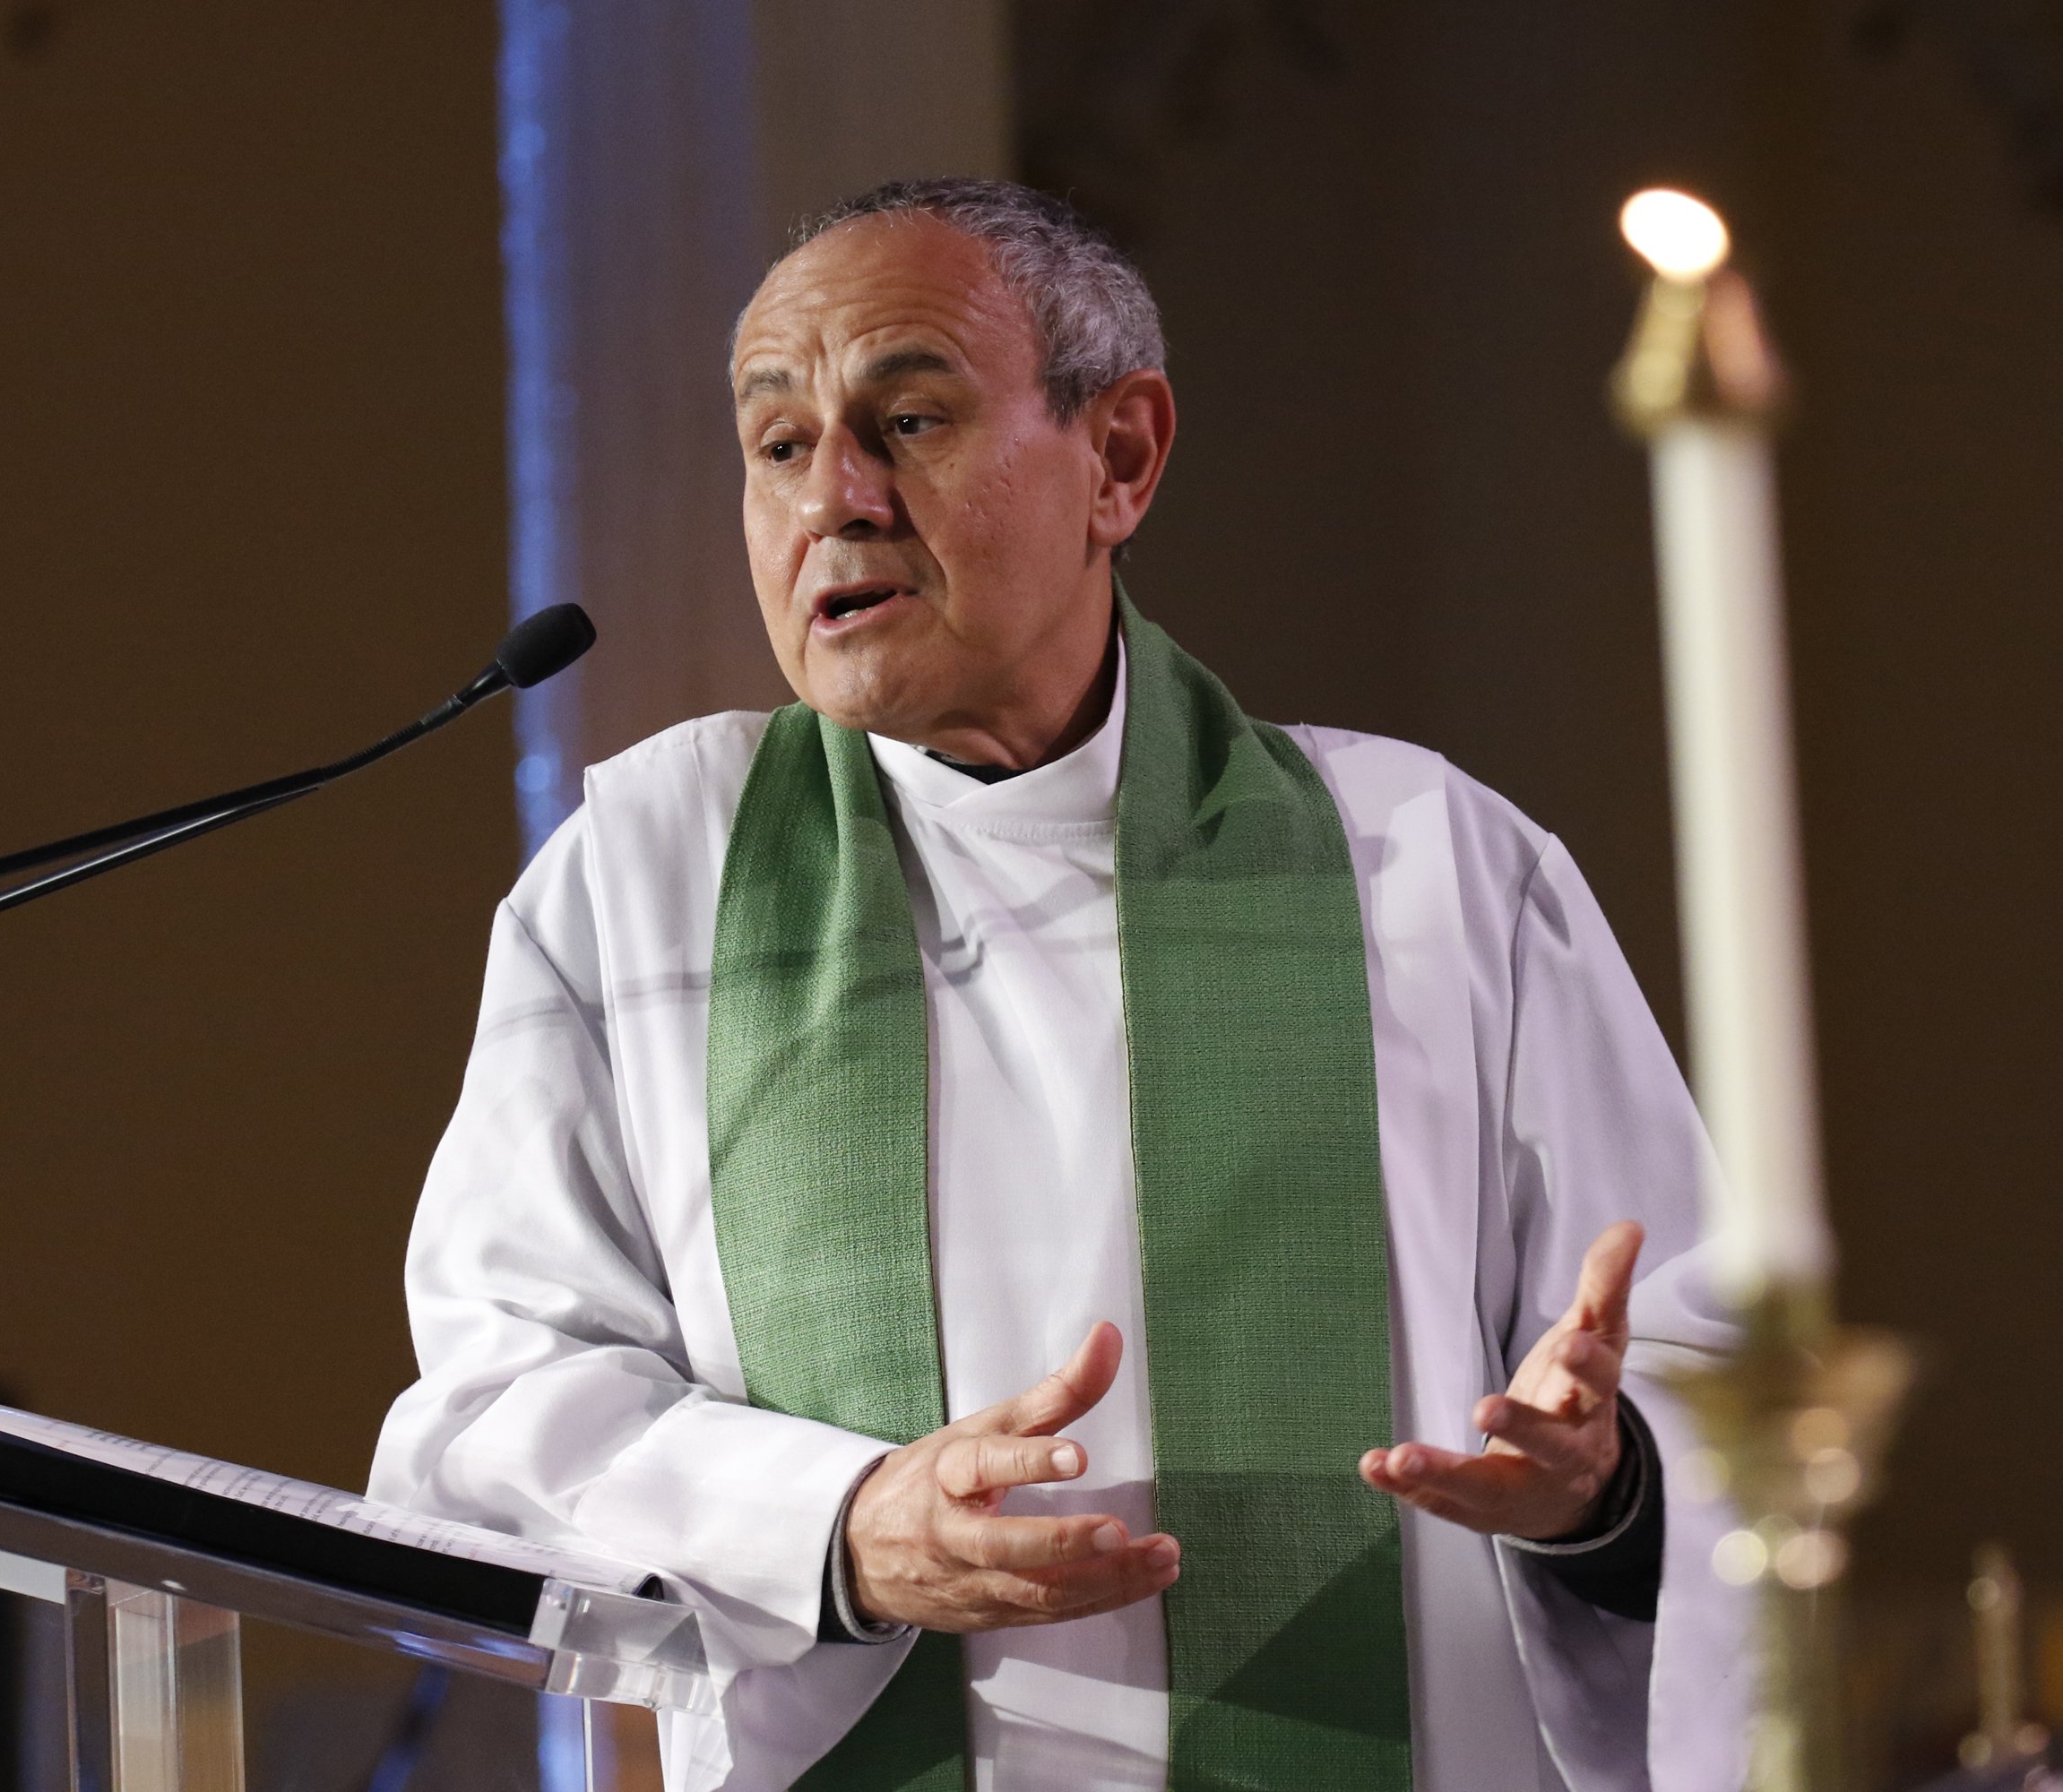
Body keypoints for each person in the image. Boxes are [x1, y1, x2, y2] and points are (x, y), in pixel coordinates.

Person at [370, 177, 1743, 1791]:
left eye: (911, 418)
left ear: (1121, 457)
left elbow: (1700, 1363)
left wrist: (1609, 1481)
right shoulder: (641, 885)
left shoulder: (1430, 867)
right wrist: (841, 1526)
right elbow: (488, 1412)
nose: (839, 497)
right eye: (780, 444)